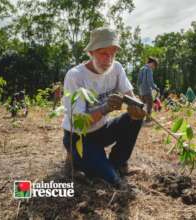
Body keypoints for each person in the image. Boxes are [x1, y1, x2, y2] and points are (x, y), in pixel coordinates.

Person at [62, 27, 146, 186]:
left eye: (112, 54)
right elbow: (78, 123)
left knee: (134, 119)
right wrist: (104, 108)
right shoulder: (76, 76)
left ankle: (117, 162)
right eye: (103, 53)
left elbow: (130, 95)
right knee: (112, 180)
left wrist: (138, 110)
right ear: (91, 52)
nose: (108, 59)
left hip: (102, 131)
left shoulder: (117, 68)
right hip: (79, 137)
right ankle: (76, 159)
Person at [137, 57, 159, 122]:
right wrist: (155, 87)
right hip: (147, 90)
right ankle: (148, 119)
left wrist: (139, 90)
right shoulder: (149, 69)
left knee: (143, 105)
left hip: (141, 91)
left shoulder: (142, 68)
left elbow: (138, 81)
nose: (154, 68)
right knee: (150, 104)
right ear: (152, 63)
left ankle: (140, 119)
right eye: (154, 66)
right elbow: (150, 81)